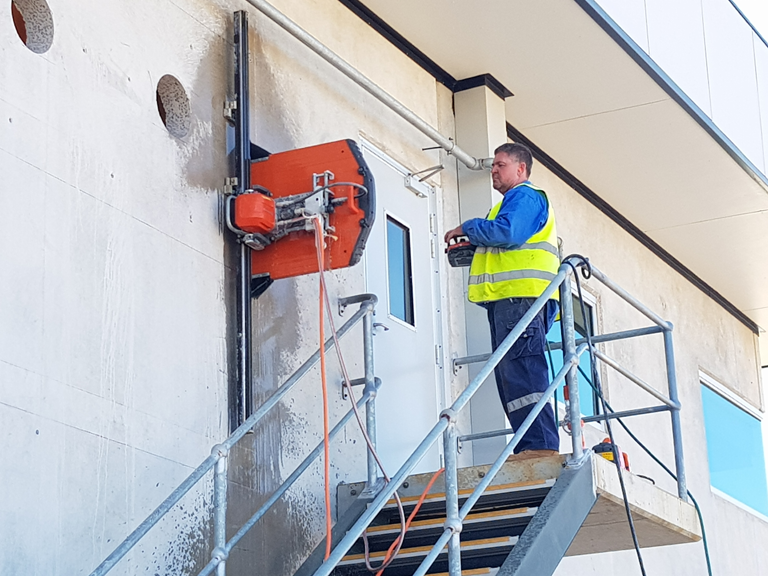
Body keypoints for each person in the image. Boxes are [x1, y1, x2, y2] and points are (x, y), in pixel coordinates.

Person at [444, 142, 560, 459]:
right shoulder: (509, 204)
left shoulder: (525, 197)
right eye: (493, 165)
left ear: (521, 169)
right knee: (512, 373)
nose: (494, 170)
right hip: (512, 300)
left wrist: (468, 228)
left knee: (522, 369)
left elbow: (508, 233)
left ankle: (540, 444)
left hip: (520, 298)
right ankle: (531, 445)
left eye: (501, 164)